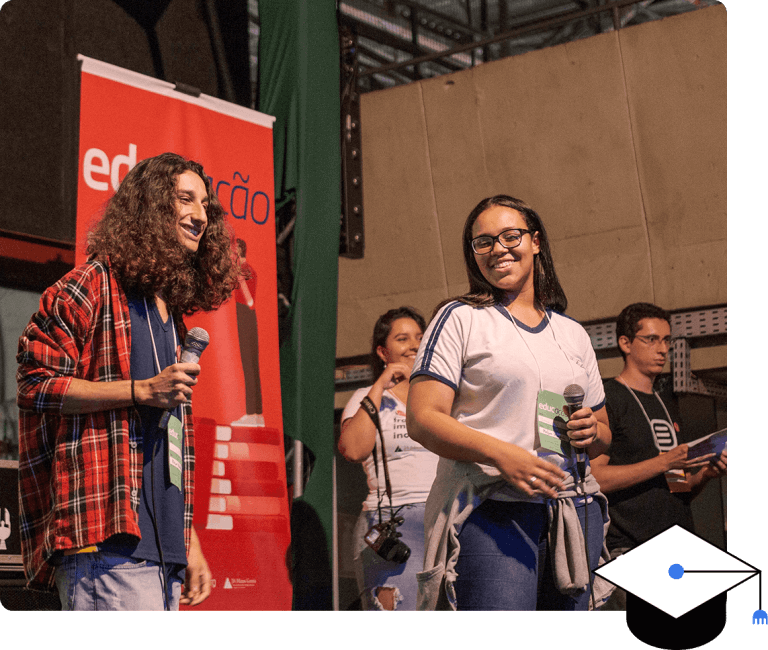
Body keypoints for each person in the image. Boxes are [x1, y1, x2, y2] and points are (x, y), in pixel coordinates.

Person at [16, 152, 240, 610]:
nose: (200, 215)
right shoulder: (91, 285)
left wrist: (187, 539)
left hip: (160, 554)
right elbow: (35, 384)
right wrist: (140, 390)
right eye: (185, 199)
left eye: (205, 205)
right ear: (153, 207)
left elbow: (165, 442)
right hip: (105, 543)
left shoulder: (170, 315)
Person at [406, 195, 614, 610]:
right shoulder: (459, 318)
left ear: (536, 242)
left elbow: (605, 436)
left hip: (571, 512)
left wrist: (591, 429)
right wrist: (504, 455)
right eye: (483, 242)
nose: (498, 248)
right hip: (490, 510)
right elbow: (422, 418)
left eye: (510, 236)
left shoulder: (572, 333)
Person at [590, 302, 727, 610]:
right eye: (651, 339)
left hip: (674, 549)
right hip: (631, 549)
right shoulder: (609, 399)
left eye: (666, 340)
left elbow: (677, 487)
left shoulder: (664, 402)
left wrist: (705, 474)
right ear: (625, 343)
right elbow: (595, 478)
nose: (662, 349)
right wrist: (664, 462)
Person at [339, 307, 440, 610]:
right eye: (402, 338)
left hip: (447, 515)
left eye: (420, 338)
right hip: (394, 523)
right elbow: (353, 450)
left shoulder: (441, 397)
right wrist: (380, 384)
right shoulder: (366, 397)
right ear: (383, 351)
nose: (413, 345)